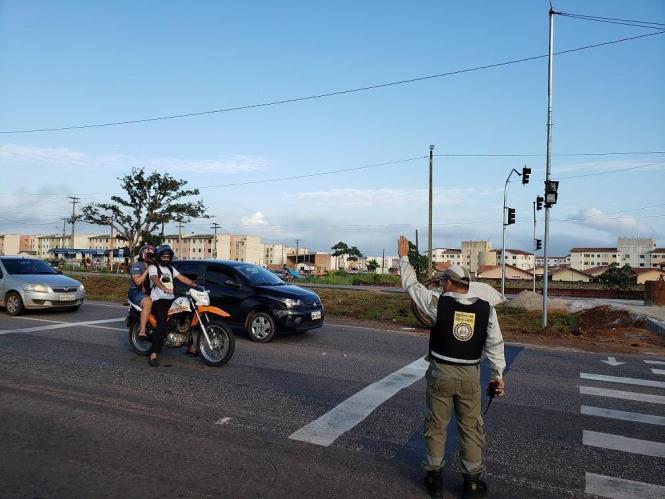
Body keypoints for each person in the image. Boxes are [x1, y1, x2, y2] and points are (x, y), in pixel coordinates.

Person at [397, 236, 505, 499]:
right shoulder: (486, 309)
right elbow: (495, 345)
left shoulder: (437, 303)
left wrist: (404, 257)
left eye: (443, 280)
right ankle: (472, 483)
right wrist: (497, 376)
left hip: (440, 374)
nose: (441, 284)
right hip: (470, 377)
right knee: (471, 428)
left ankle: (434, 478)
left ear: (449, 283)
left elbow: (411, 285)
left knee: (436, 425)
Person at [147, 244, 198, 367]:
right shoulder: (153, 268)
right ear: (159, 257)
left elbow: (182, 278)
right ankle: (153, 354)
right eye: (163, 256)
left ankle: (190, 346)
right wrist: (164, 288)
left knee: (187, 315)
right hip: (158, 300)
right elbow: (155, 279)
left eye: (168, 257)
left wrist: (196, 286)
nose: (165, 259)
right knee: (161, 324)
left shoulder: (170, 268)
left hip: (171, 298)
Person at [128, 244, 156, 339]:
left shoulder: (156, 266)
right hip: (135, 291)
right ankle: (142, 330)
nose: (152, 257)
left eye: (153, 255)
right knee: (148, 302)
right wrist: (148, 269)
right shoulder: (137, 266)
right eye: (150, 255)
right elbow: (138, 281)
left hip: (151, 291)